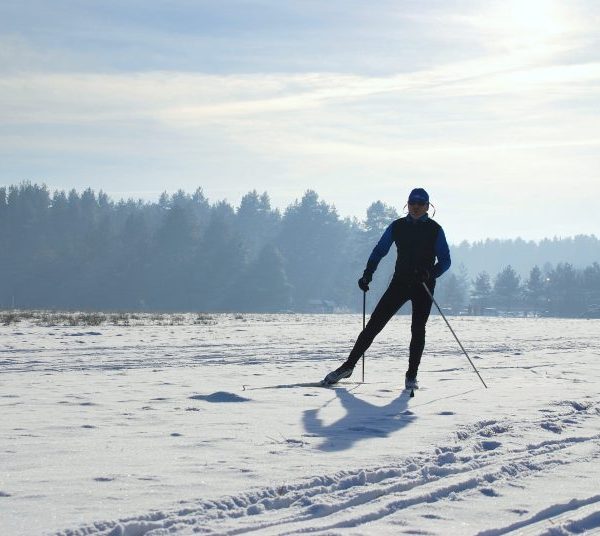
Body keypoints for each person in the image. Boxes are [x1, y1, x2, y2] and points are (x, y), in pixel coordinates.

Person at [323, 187, 451, 389]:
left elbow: (445, 261)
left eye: (420, 204)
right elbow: (380, 250)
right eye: (412, 203)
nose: (415, 207)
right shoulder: (397, 226)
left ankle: (411, 376)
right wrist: (368, 273)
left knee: (418, 330)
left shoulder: (435, 229)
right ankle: (348, 367)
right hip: (399, 282)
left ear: (428, 207)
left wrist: (429, 274)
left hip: (423, 286)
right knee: (374, 325)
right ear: (407, 205)